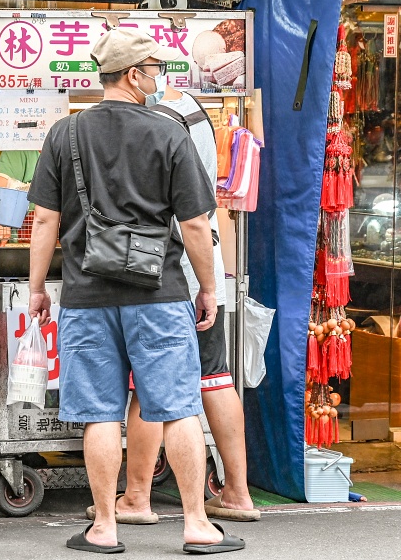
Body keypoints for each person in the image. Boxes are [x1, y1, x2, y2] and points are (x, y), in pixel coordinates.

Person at [27, 28, 245, 555]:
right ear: (133, 75)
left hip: (85, 293)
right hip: (159, 293)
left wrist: (37, 288)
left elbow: (44, 221)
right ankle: (196, 525)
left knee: (101, 412)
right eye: (155, 69)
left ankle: (104, 527)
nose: (159, 78)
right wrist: (209, 288)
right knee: (177, 408)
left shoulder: (65, 134)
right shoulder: (166, 133)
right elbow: (196, 223)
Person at [107, 73, 259, 526]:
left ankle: (136, 497)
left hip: (166, 267)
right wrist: (214, 282)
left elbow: (174, 213)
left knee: (151, 384)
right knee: (215, 378)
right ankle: (237, 492)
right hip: (206, 262)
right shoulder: (195, 111)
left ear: (135, 75)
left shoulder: (155, 121)